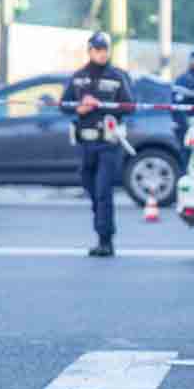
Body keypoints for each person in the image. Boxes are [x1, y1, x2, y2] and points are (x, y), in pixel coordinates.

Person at [60, 31, 134, 258]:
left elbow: (130, 107)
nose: (102, 54)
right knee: (91, 189)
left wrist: (100, 105)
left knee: (103, 191)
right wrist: (78, 109)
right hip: (86, 144)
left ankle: (105, 240)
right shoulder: (78, 76)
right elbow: (64, 104)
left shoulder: (117, 76)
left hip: (108, 143)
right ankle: (102, 226)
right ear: (90, 51)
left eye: (105, 50)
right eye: (98, 50)